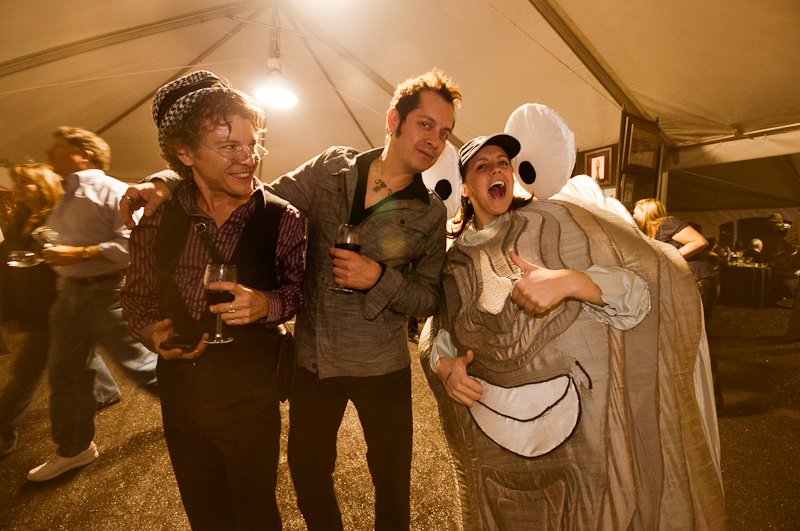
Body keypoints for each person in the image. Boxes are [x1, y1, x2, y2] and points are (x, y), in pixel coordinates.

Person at [120, 69, 459, 531]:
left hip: (382, 365)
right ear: (393, 118)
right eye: (425, 125)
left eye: (444, 133)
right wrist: (165, 179)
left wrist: (379, 278)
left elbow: (429, 297)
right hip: (314, 361)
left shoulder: (430, 211)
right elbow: (252, 192)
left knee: (391, 479)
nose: (435, 141)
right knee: (308, 473)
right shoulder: (332, 169)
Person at [421, 133, 725, 530]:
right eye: (482, 165)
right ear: (463, 186)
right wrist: (444, 365)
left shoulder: (555, 222)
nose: (496, 169)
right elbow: (437, 329)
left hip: (579, 435)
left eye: (502, 162)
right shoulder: (455, 259)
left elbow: (642, 290)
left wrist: (569, 281)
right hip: (492, 443)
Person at [119, 71, 305, 530]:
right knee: (204, 511)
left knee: (257, 510)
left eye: (252, 143)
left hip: (251, 392)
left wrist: (267, 305)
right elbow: (137, 296)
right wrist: (150, 331)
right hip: (181, 393)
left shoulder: (284, 218)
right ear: (185, 153)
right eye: (229, 147)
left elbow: (295, 290)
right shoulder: (156, 217)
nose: (249, 159)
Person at [26, 128, 158, 482]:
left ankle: (202, 412)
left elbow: (135, 244)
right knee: (66, 374)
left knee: (142, 366)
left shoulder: (111, 190)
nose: (50, 151)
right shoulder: (63, 196)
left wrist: (81, 253)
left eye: (58, 146)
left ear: (84, 154)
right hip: (69, 294)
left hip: (106, 293)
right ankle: (74, 449)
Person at [0, 163, 121, 457]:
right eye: (16, 182)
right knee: (74, 360)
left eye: (24, 182)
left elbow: (66, 258)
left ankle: (3, 435)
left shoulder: (53, 218)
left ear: (40, 185)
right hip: (40, 303)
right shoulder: (20, 219)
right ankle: (106, 393)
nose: (17, 187)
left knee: (26, 373)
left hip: (54, 303)